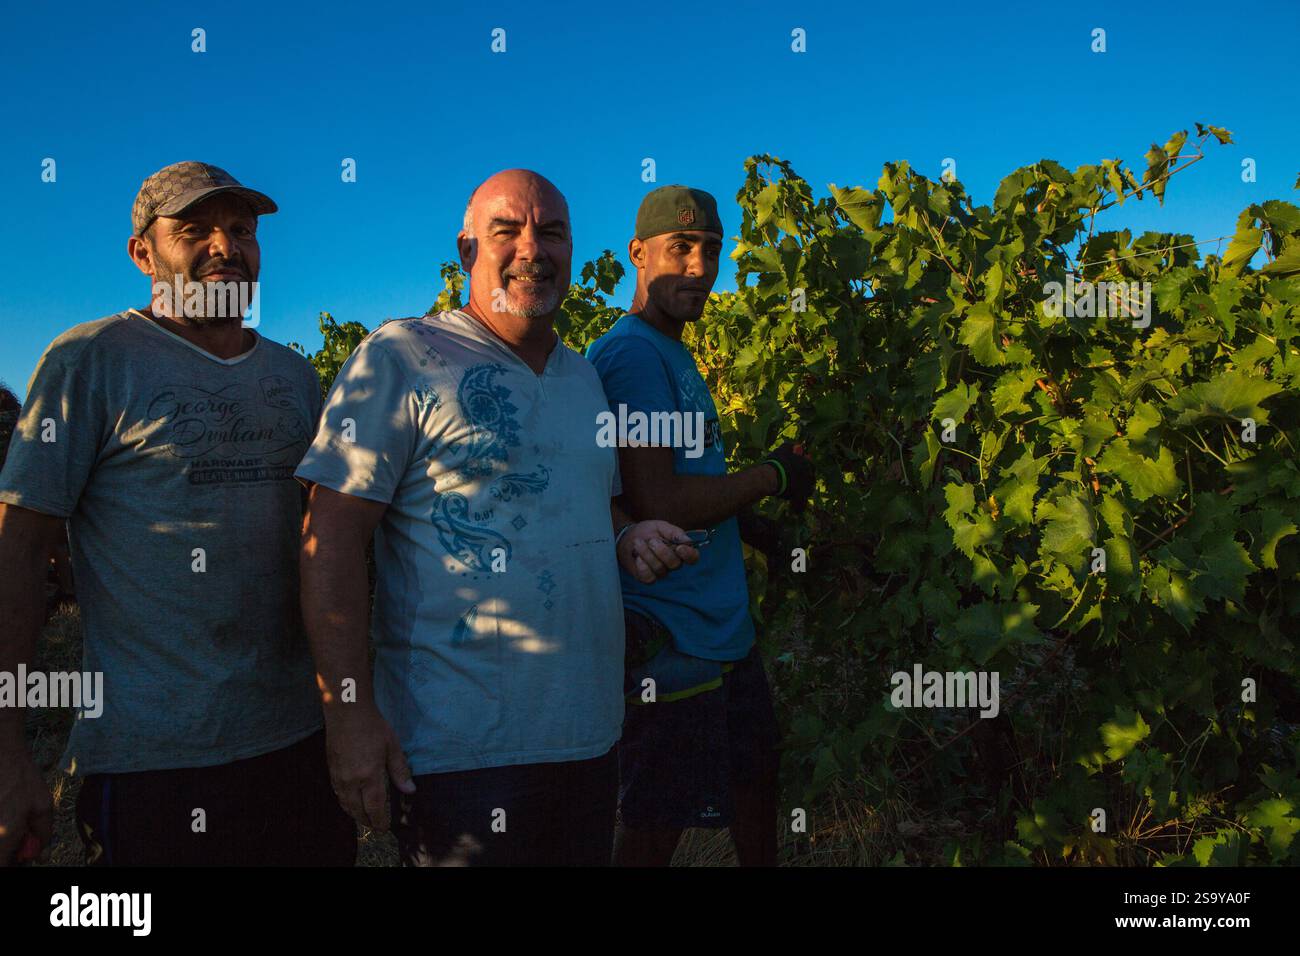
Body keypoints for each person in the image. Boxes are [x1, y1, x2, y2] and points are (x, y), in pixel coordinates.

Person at [296, 168, 699, 867]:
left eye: (551, 232)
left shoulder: (584, 380)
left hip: (589, 739)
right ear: (466, 251)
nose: (531, 249)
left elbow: (592, 509)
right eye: (506, 230)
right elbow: (328, 539)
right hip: (456, 756)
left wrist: (631, 537)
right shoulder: (401, 358)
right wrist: (350, 714)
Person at [0, 161, 355, 866]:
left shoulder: (293, 376)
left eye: (241, 230)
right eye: (194, 230)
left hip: (297, 741)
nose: (225, 247)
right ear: (142, 254)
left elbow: (328, 546)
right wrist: (6, 748)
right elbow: (17, 550)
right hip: (152, 759)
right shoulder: (90, 361)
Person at [586, 184, 814, 866]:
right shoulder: (632, 355)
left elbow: (689, 480)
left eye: (710, 251)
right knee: (658, 822)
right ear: (637, 254)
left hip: (720, 629)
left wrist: (754, 528)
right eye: (679, 248)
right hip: (672, 640)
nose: (697, 266)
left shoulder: (672, 352)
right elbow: (658, 499)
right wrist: (773, 476)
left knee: (754, 782)